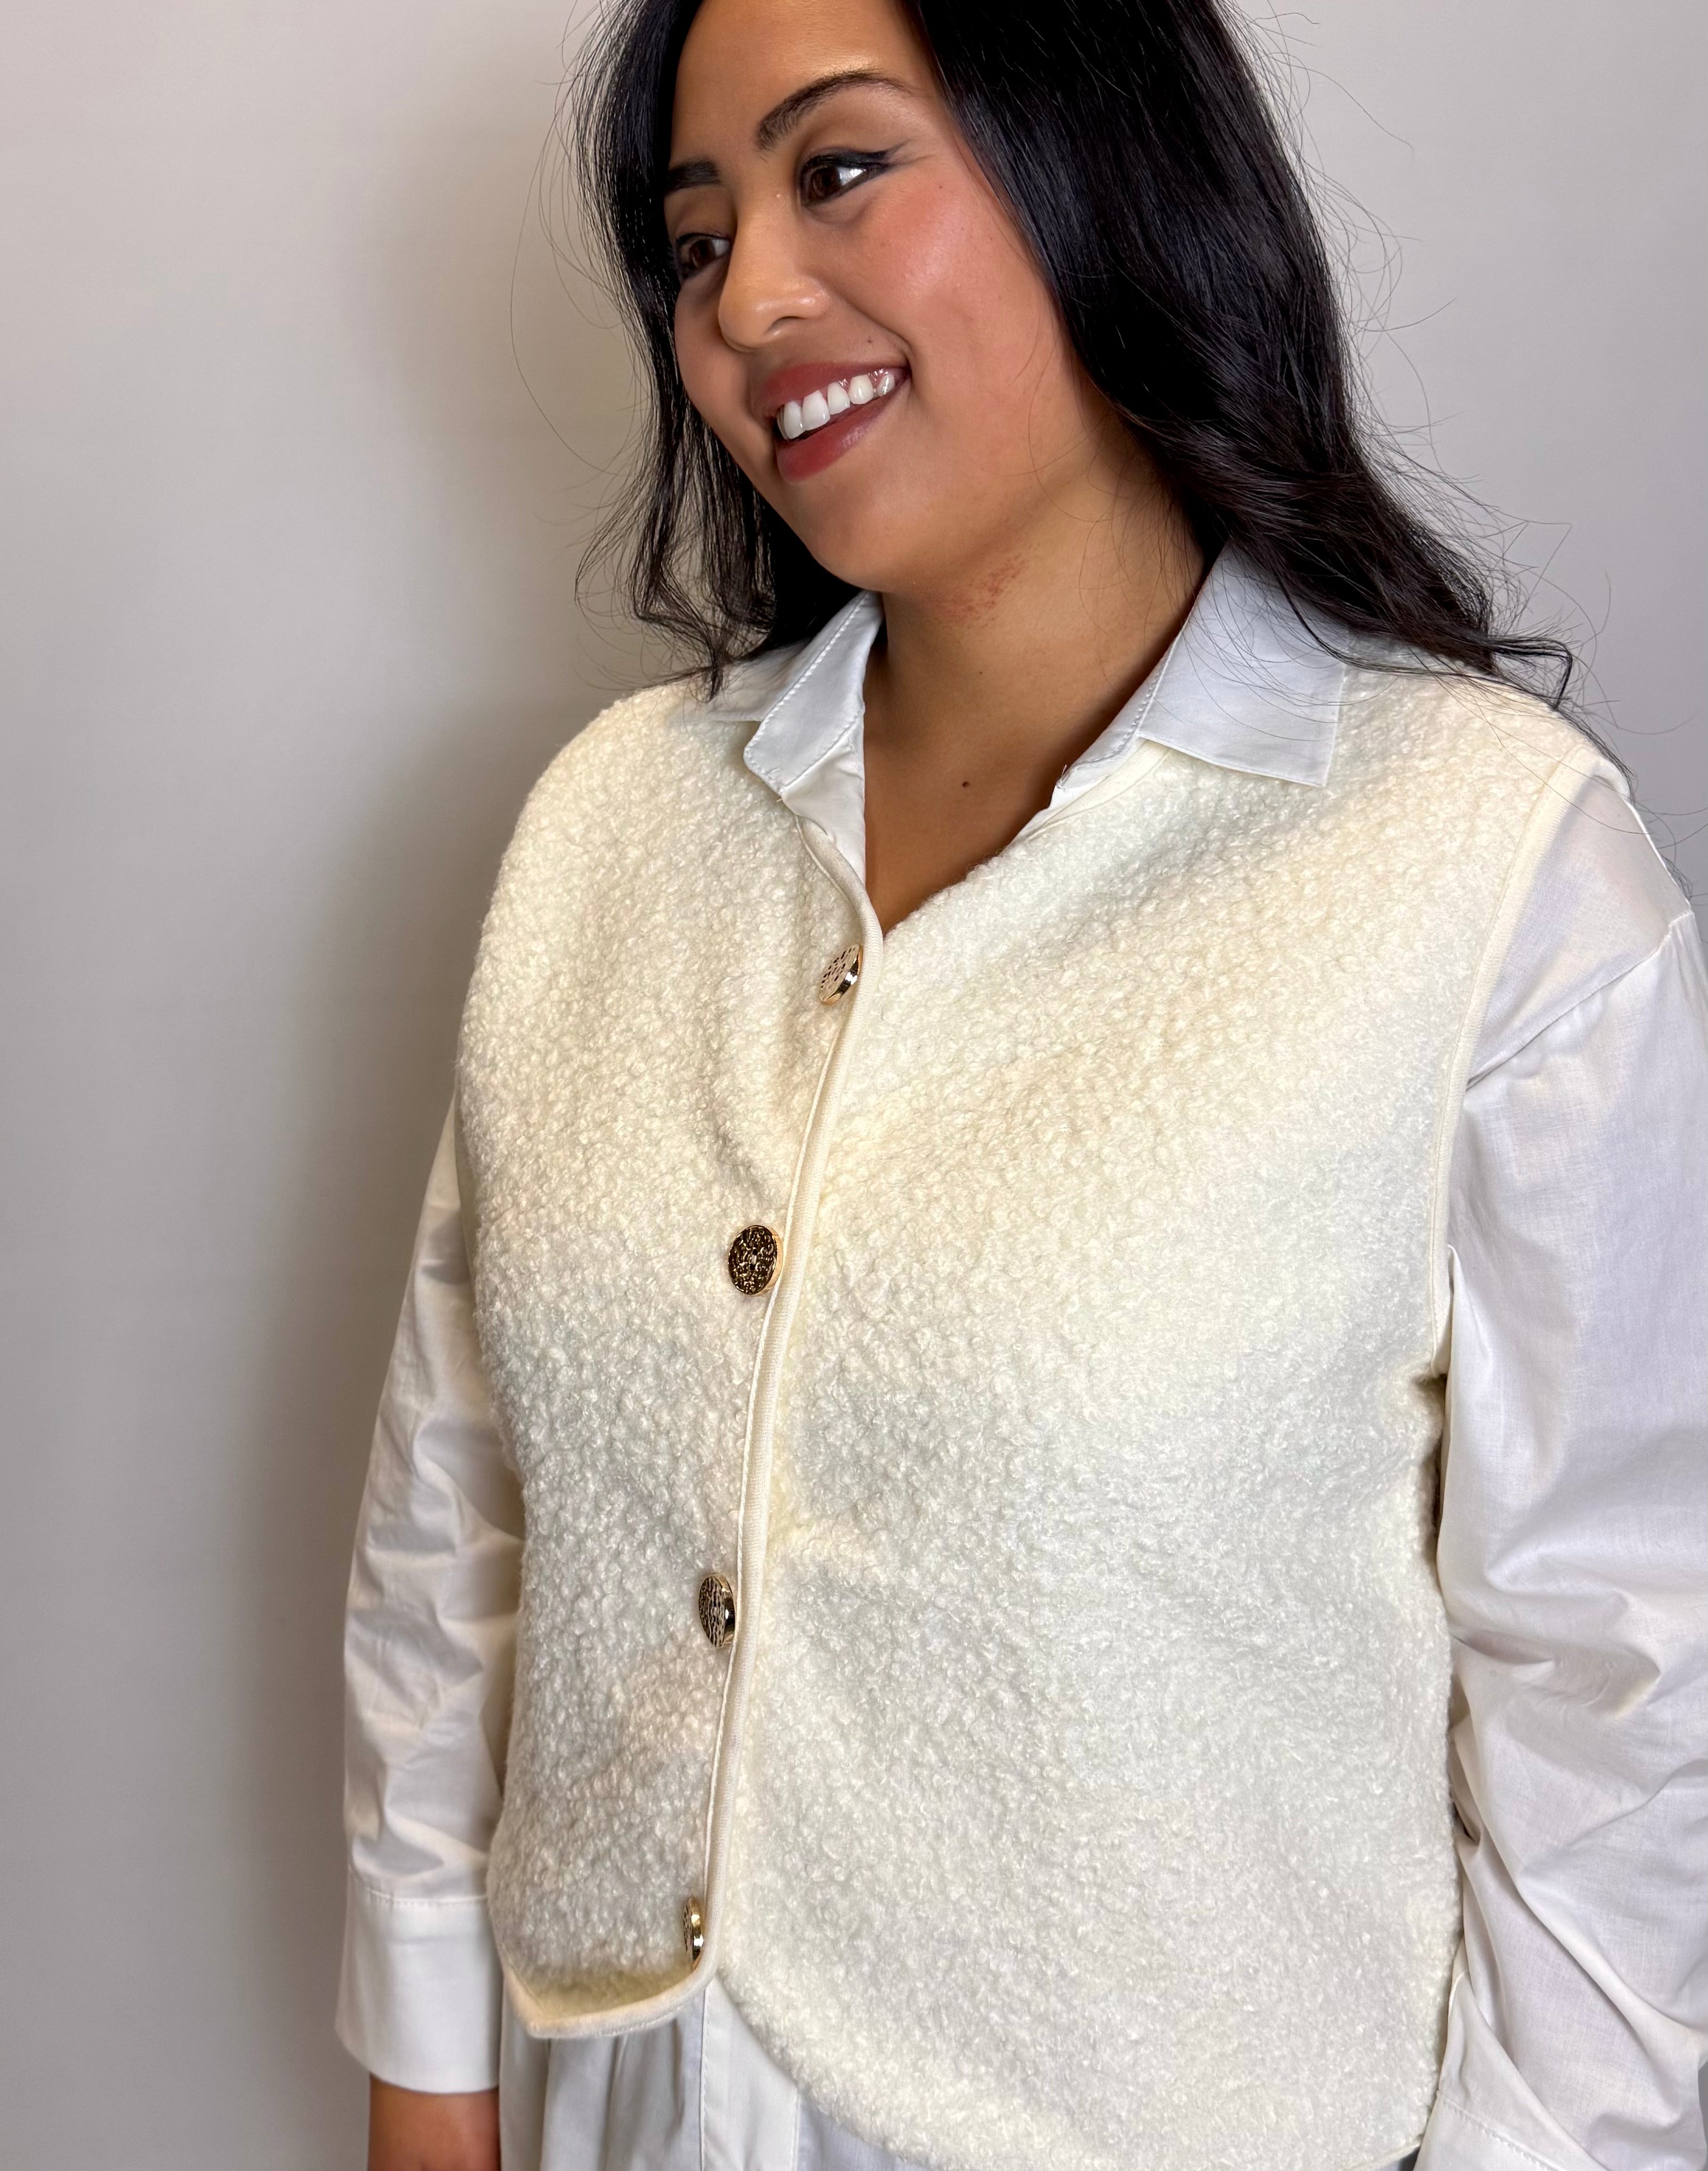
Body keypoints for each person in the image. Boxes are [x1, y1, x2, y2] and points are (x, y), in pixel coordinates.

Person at [335, 0, 1708, 2164]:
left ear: (1108, 172)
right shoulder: (612, 831)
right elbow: (461, 1507)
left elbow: (1616, 1706)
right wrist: (427, 2078)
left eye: (841, 167)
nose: (750, 300)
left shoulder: (1487, 868)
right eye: (694, 239)